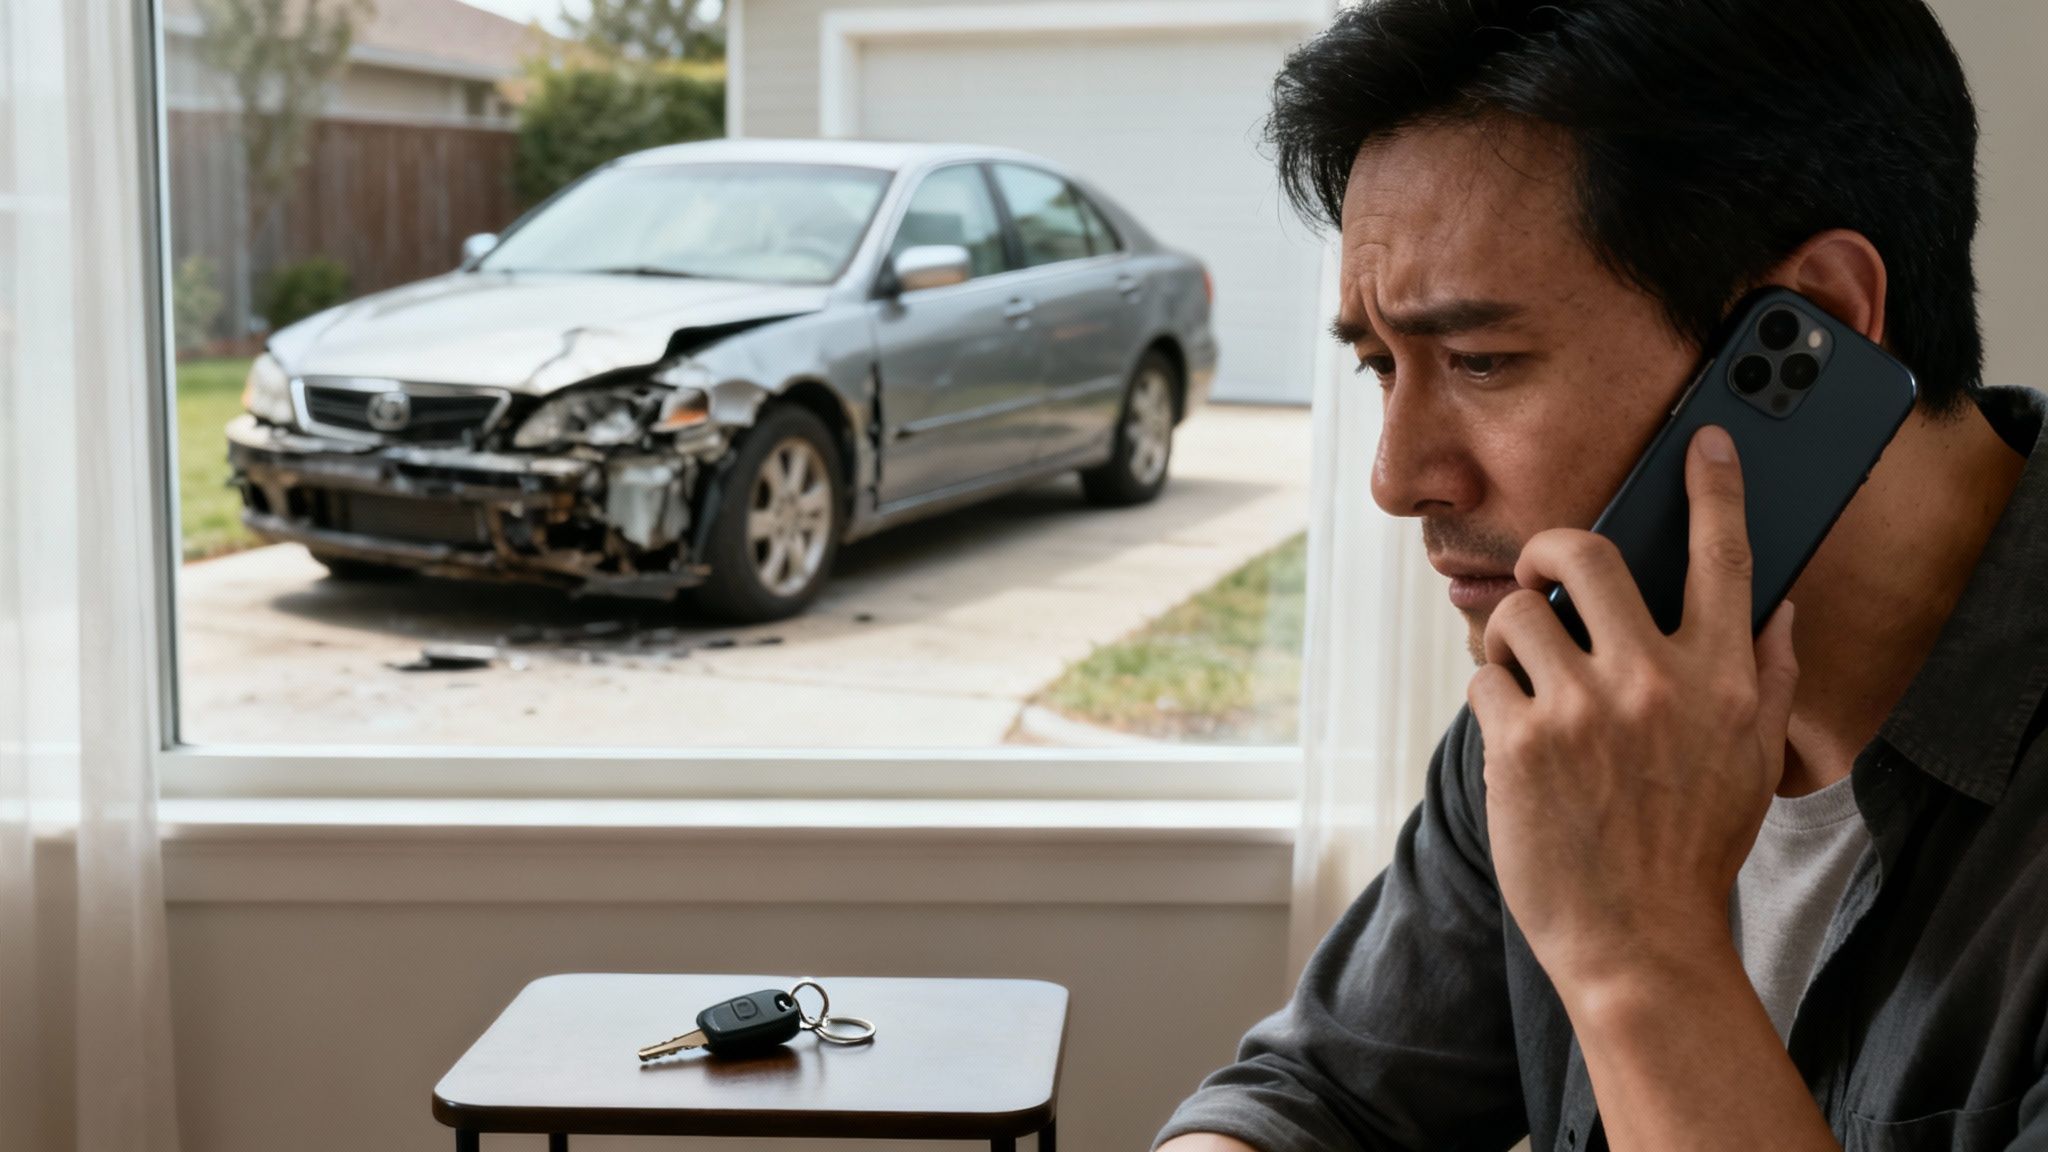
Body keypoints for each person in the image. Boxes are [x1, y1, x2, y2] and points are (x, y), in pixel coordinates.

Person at [1154, 1, 2047, 1149]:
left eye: (1480, 361)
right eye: (1384, 367)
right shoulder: (1564, 690)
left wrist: (1641, 953)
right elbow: (1316, 1101)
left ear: (1813, 330)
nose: (1396, 477)